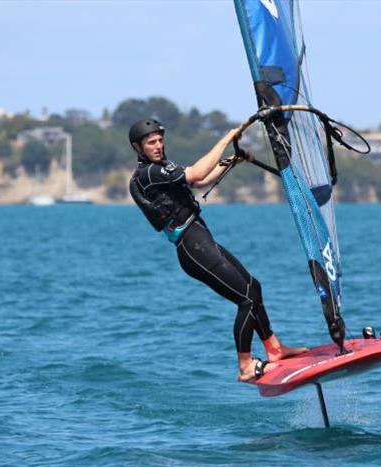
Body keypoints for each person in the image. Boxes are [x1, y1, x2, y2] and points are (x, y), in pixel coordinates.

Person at [127, 118, 306, 382]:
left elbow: (198, 182)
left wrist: (233, 160)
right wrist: (225, 139)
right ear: (138, 147)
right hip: (191, 246)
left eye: (160, 140)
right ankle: (245, 366)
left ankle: (274, 348)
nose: (158, 145)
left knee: (253, 287)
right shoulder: (148, 174)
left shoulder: (163, 168)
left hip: (201, 238)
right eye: (151, 142)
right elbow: (197, 174)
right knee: (245, 299)